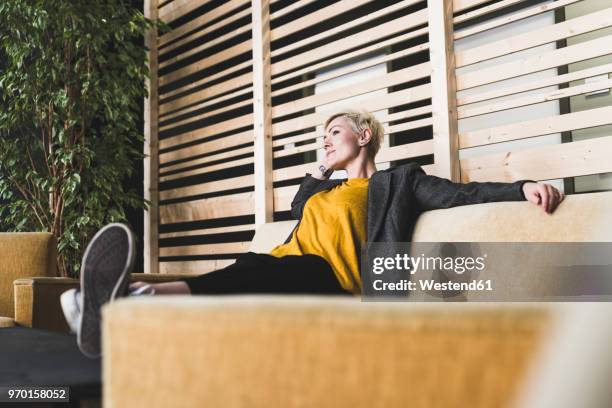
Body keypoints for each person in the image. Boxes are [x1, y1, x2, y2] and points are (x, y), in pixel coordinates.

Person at [61, 109, 564, 357]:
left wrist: (522, 187)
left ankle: (121, 299)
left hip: (333, 274)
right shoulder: (323, 192)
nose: (326, 141)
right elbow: (300, 210)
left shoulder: (397, 182)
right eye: (322, 137)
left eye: (335, 133)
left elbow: (459, 194)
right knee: (250, 268)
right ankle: (118, 301)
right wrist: (320, 169)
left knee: (254, 269)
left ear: (364, 136)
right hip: (291, 260)